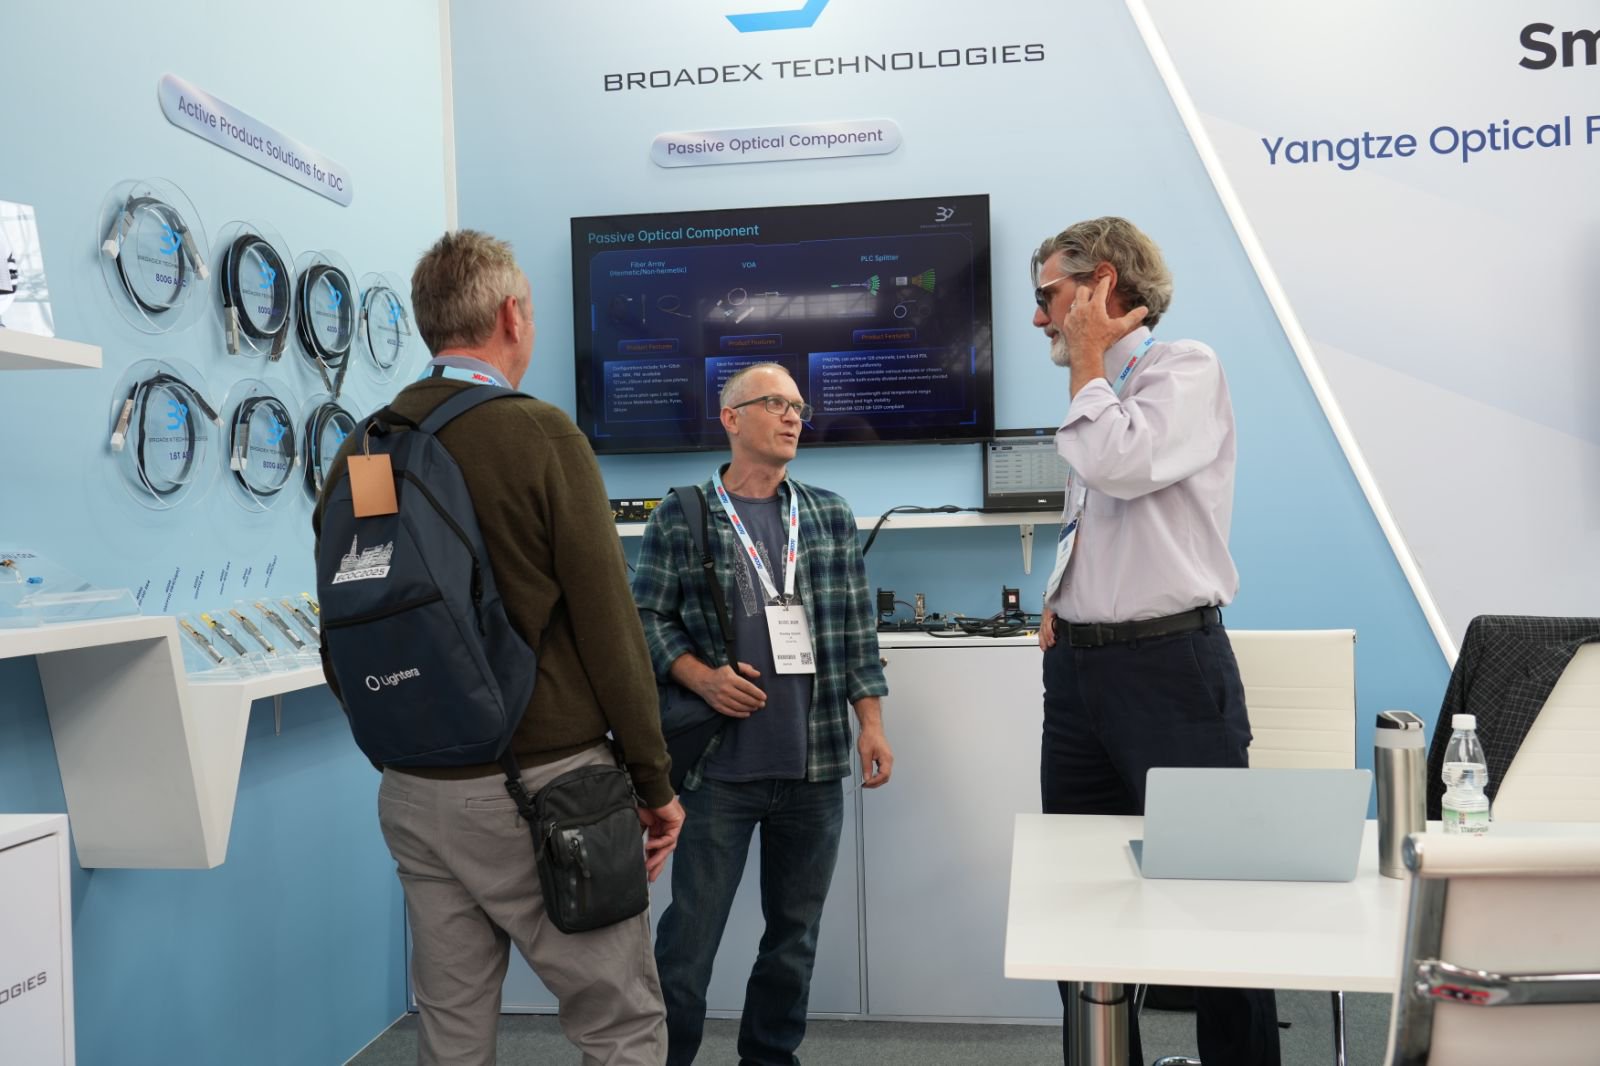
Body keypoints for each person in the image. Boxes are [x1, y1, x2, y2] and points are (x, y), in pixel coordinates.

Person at [312, 230, 684, 1066]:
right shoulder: (540, 434)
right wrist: (655, 781)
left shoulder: (364, 448)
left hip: (414, 792)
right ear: (512, 315)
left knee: (451, 1030)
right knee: (620, 1023)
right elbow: (611, 628)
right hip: (548, 790)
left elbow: (345, 625)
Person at [1031, 218, 1280, 1066]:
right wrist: (1064, 596)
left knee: (1217, 907)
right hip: (1080, 676)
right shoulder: (1098, 393)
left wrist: (1088, 362)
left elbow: (1123, 466)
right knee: (1079, 905)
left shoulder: (1184, 368)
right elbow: (1102, 519)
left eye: (1050, 295)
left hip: (1171, 671)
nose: (1039, 318)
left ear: (1103, 283)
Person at [634, 362, 893, 1066]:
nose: (792, 417)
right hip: (717, 773)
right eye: (775, 403)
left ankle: (770, 1059)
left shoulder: (829, 515)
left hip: (814, 769)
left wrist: (871, 723)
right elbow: (644, 620)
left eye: (799, 407)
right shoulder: (683, 514)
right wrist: (701, 677)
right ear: (731, 418)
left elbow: (856, 632)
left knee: (793, 941)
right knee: (688, 942)